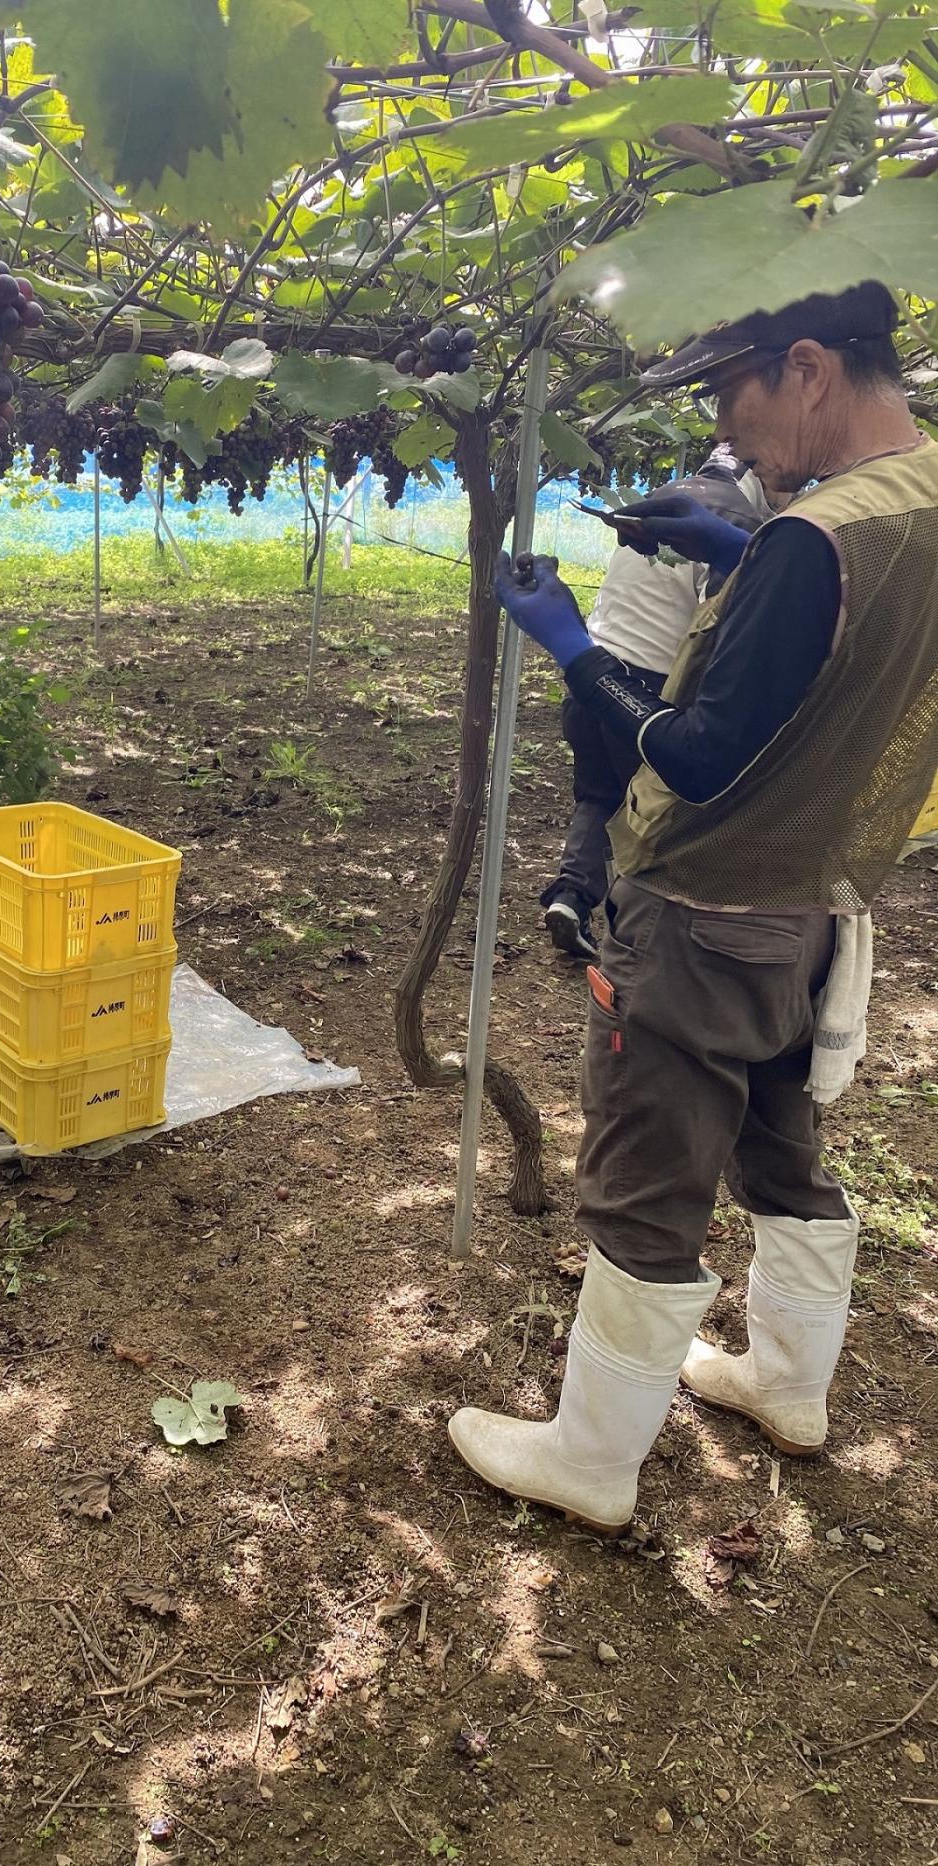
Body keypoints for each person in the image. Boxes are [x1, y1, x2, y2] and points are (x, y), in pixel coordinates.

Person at [449, 281, 938, 1534]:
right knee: (780, 1143)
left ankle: (590, 1460)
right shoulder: (911, 498)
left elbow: (701, 755)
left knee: (645, 1176)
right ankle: (787, 1387)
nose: (731, 437)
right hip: (813, 904)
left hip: (708, 903)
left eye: (735, 398)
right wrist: (736, 559)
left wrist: (569, 647)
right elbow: (850, 649)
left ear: (810, 369)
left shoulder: (811, 536)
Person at [542, 449, 771, 961]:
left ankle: (570, 898)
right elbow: (726, 626)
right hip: (650, 689)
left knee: (599, 794)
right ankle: (631, 936)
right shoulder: (739, 519)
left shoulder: (659, 501)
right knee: (656, 824)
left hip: (591, 667)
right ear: (756, 476)